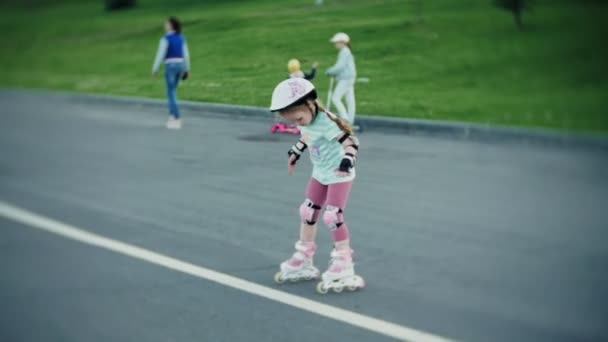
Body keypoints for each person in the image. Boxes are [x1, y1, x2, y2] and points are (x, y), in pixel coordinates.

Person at [270, 78, 365, 294]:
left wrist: (348, 159)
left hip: (339, 174)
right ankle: (304, 255)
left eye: (299, 118)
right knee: (307, 211)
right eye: (293, 122)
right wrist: (295, 153)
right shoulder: (308, 123)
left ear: (310, 104)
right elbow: (306, 138)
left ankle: (343, 261)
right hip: (320, 173)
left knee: (332, 216)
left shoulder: (327, 122)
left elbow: (350, 141)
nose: (298, 124)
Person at [152, 17, 190, 130]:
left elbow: (160, 54)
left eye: (167, 24)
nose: (165, 25)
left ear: (171, 26)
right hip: (180, 66)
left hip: (170, 66)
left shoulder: (165, 39)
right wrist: (187, 69)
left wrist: (155, 69)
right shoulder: (181, 38)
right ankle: (171, 115)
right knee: (173, 91)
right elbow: (186, 55)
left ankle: (176, 117)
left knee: (171, 92)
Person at [325, 32, 356, 125]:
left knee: (335, 98)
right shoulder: (346, 51)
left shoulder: (344, 52)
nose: (335, 45)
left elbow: (340, 66)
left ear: (343, 42)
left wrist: (330, 71)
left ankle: (345, 119)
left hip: (345, 79)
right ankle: (350, 121)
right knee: (350, 99)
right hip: (349, 78)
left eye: (336, 43)